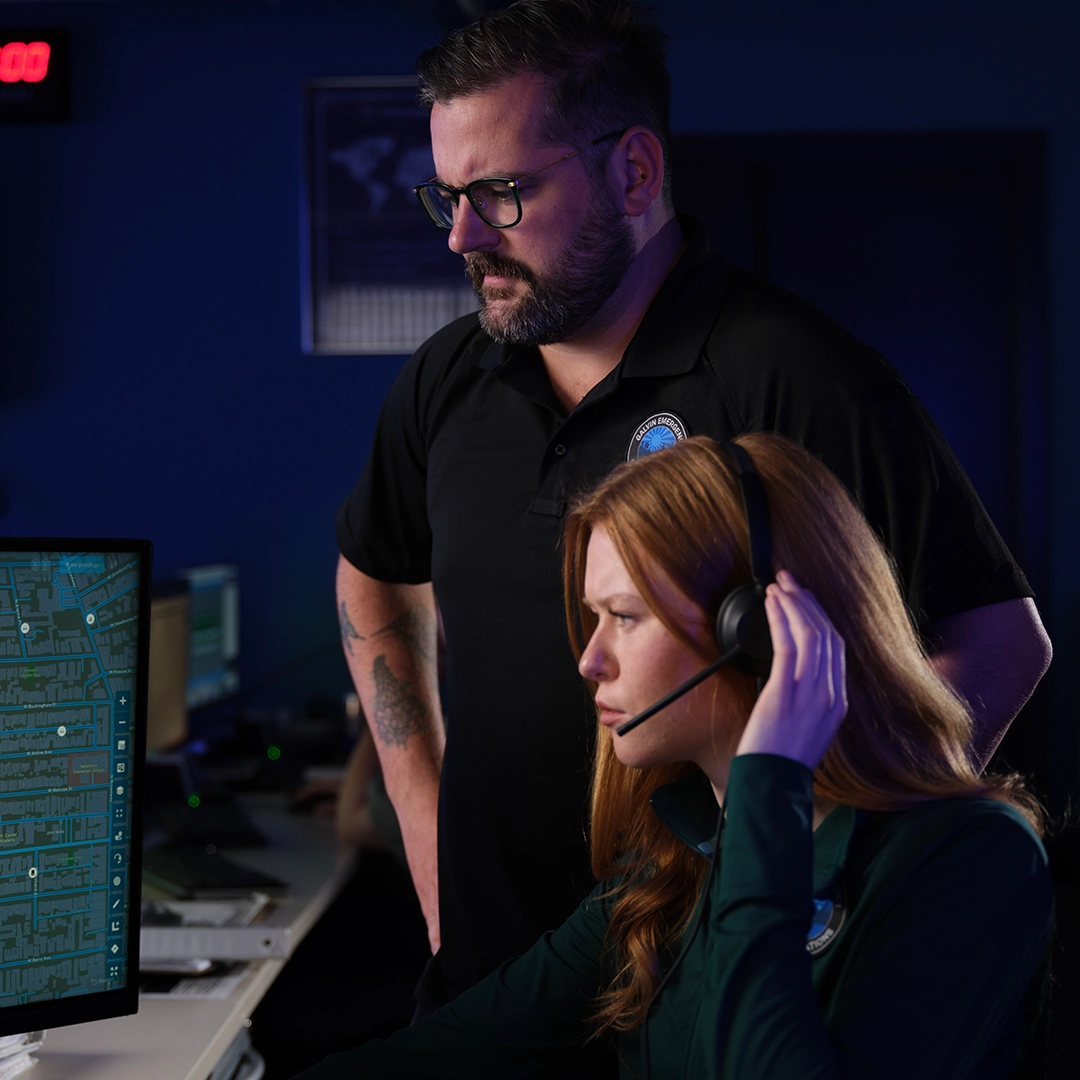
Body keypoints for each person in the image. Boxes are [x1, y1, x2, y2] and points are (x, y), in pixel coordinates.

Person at [334, 0, 1051, 1014]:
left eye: (500, 193)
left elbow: (998, 642)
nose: (460, 236)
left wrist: (804, 877)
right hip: (489, 986)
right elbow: (372, 572)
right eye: (442, 195)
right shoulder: (447, 377)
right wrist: (420, 822)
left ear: (633, 170)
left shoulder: (800, 380)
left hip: (701, 998)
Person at [308, 434, 1052, 1079]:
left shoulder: (969, 860)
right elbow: (459, 1050)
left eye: (625, 617)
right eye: (595, 618)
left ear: (754, 632)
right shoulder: (681, 849)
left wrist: (770, 786)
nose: (590, 661)